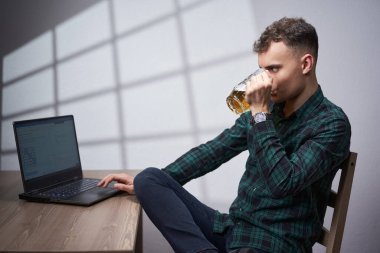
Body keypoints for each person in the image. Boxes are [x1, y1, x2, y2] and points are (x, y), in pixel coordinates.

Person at [98, 17, 351, 253]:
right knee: (149, 178)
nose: (263, 80)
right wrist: (156, 183)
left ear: (306, 64)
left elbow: (282, 183)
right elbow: (215, 150)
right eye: (261, 70)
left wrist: (260, 115)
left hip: (273, 244)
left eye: (273, 69)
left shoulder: (331, 123)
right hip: (235, 230)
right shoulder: (268, 108)